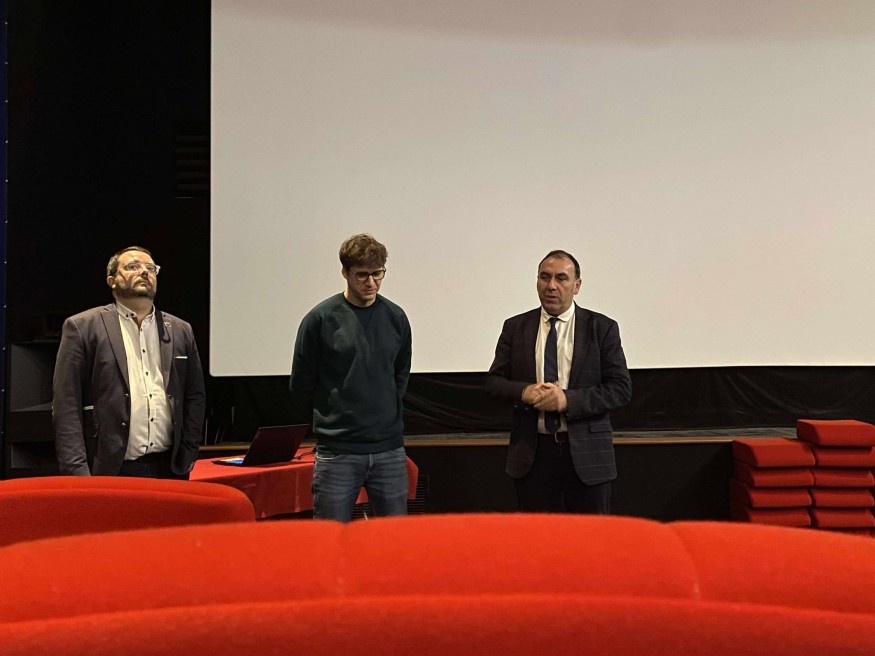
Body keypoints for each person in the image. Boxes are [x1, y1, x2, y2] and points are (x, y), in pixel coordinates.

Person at [486, 249, 631, 513]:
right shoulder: (515, 327)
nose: (551, 286)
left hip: (587, 457)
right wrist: (524, 392)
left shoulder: (602, 328)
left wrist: (567, 400)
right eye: (545, 277)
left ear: (577, 286)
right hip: (533, 456)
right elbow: (494, 383)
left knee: (590, 536)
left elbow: (620, 389)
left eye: (561, 278)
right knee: (538, 536)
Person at [52, 246, 206, 478]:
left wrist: (188, 452)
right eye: (133, 266)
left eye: (151, 268)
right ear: (112, 280)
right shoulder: (83, 327)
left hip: (169, 468)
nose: (144, 272)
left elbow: (195, 396)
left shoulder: (180, 329)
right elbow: (66, 404)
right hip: (109, 469)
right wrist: (77, 471)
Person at [290, 233, 412, 522]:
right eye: (362, 275)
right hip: (338, 452)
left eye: (378, 273)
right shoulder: (320, 319)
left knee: (395, 539)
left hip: (388, 448)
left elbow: (400, 374)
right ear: (345, 272)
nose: (371, 282)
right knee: (331, 538)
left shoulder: (396, 317)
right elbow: (302, 383)